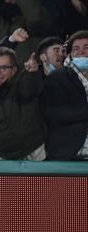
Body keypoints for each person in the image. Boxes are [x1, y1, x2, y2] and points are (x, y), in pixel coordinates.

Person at [41, 30, 88, 161]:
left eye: (86, 47)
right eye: (76, 49)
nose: (81, 52)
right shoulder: (57, 77)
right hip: (69, 151)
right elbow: (55, 113)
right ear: (70, 54)